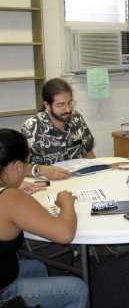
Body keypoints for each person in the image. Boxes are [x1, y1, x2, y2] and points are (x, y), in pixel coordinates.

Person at [0, 128, 88, 308]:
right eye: (26, 164)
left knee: (38, 268)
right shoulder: (10, 199)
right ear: (16, 165)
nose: (26, 170)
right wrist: (66, 202)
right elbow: (64, 234)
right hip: (2, 290)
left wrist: (15, 189)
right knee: (78, 289)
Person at [21, 78, 95, 180]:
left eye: (70, 103)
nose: (68, 109)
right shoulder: (31, 127)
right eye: (61, 105)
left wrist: (96, 175)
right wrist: (42, 170)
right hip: (46, 184)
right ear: (47, 105)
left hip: (75, 180)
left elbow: (87, 151)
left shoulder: (76, 119)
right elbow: (19, 168)